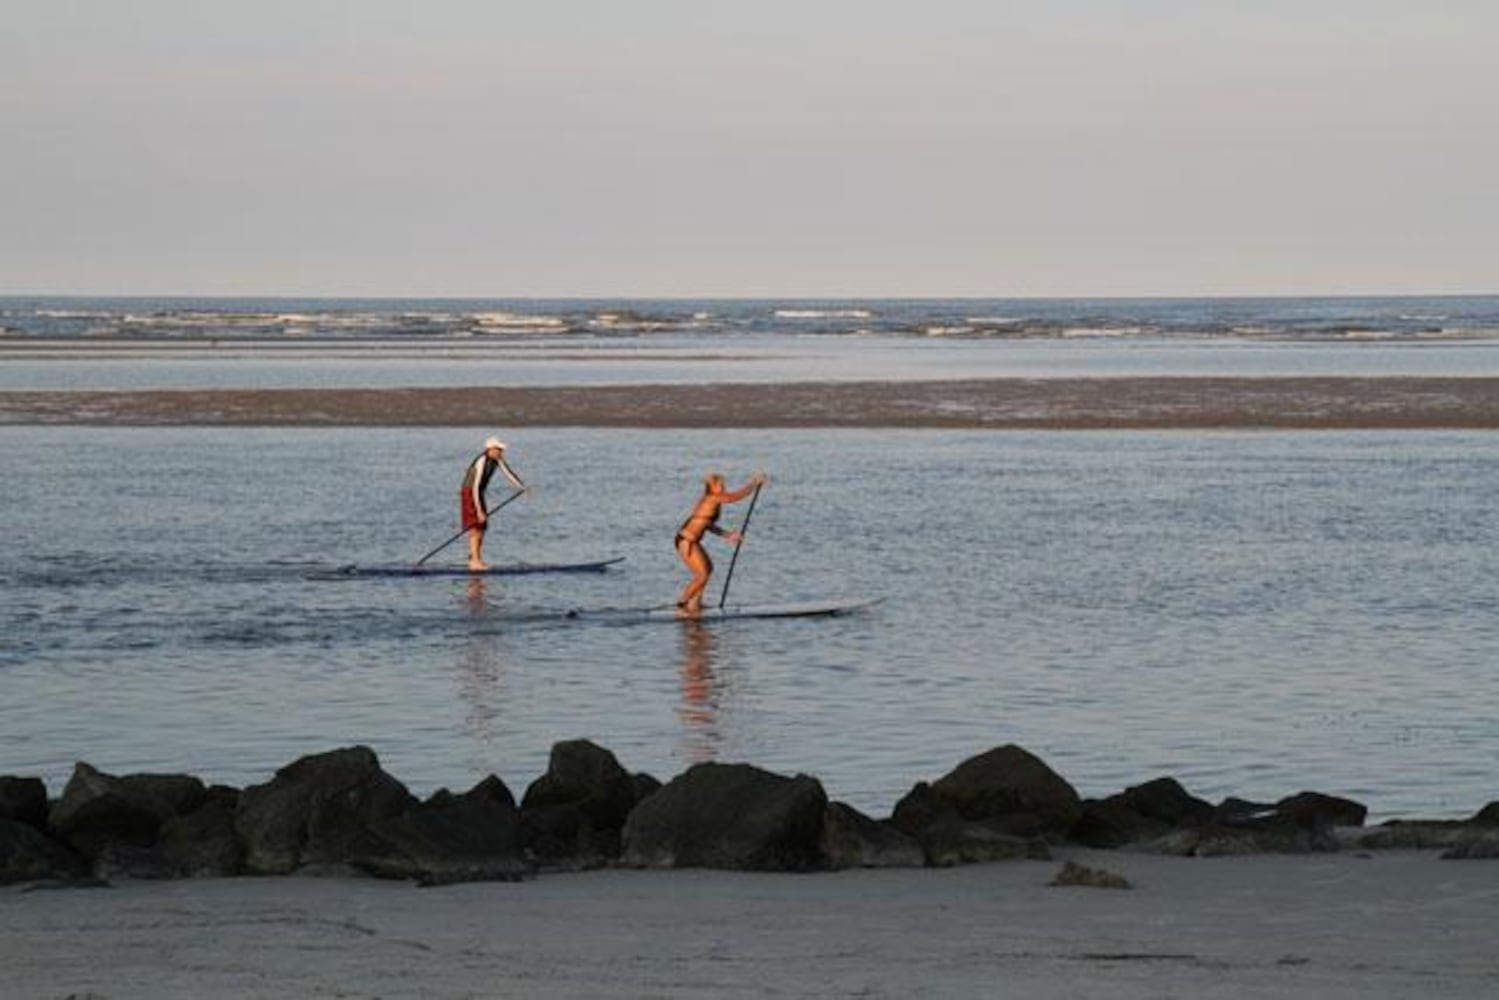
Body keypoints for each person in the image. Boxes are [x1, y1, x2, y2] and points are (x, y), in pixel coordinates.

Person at [674, 470, 768, 615]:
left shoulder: (714, 501)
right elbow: (734, 497)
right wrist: (753, 484)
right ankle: (682, 604)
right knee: (702, 575)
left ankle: (695, 603)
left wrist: (728, 535)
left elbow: (708, 525)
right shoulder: (711, 498)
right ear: (712, 486)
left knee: (708, 569)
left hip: (693, 541)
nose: (724, 487)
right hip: (686, 541)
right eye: (721, 485)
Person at [460, 436, 528, 571]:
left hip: (479, 493)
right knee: (476, 526)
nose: (501, 452)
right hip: (470, 493)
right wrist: (479, 511)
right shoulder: (482, 461)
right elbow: (475, 487)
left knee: (483, 527)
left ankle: (475, 557)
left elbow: (508, 473)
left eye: (501, 450)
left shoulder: (497, 460)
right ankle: (474, 561)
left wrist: (522, 487)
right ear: (490, 449)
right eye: (499, 449)